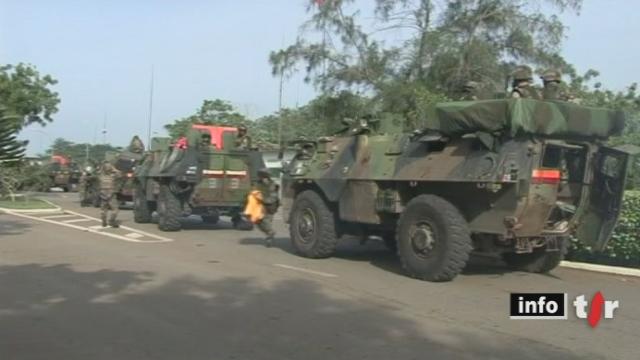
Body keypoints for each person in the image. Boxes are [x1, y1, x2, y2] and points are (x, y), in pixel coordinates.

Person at [256, 168, 279, 247]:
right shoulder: (260, 183)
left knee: (265, 220)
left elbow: (272, 197)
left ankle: (270, 233)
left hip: (269, 205)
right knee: (261, 221)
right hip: (265, 205)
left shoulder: (271, 184)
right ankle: (269, 234)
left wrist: (262, 200)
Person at [98, 160, 122, 228]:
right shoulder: (112, 175)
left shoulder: (100, 175)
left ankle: (104, 221)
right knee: (115, 210)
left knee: (103, 209)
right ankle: (111, 221)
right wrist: (115, 169)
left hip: (103, 194)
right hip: (111, 194)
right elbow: (120, 175)